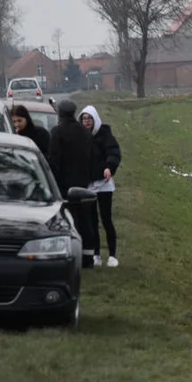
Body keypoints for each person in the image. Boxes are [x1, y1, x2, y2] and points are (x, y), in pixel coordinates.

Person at [47, 99, 101, 268]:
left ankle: (70, 255)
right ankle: (88, 256)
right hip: (82, 182)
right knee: (85, 219)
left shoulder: (57, 132)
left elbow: (54, 160)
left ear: (60, 114)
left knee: (68, 220)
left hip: (63, 184)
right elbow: (91, 157)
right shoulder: (84, 132)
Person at [79, 105, 122, 267]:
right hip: (88, 184)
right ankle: (95, 254)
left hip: (103, 183)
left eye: (89, 119)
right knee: (91, 221)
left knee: (106, 219)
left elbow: (113, 153)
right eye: (83, 119)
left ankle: (112, 254)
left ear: (95, 120)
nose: (86, 122)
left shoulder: (105, 136)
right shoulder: (80, 138)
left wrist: (109, 168)